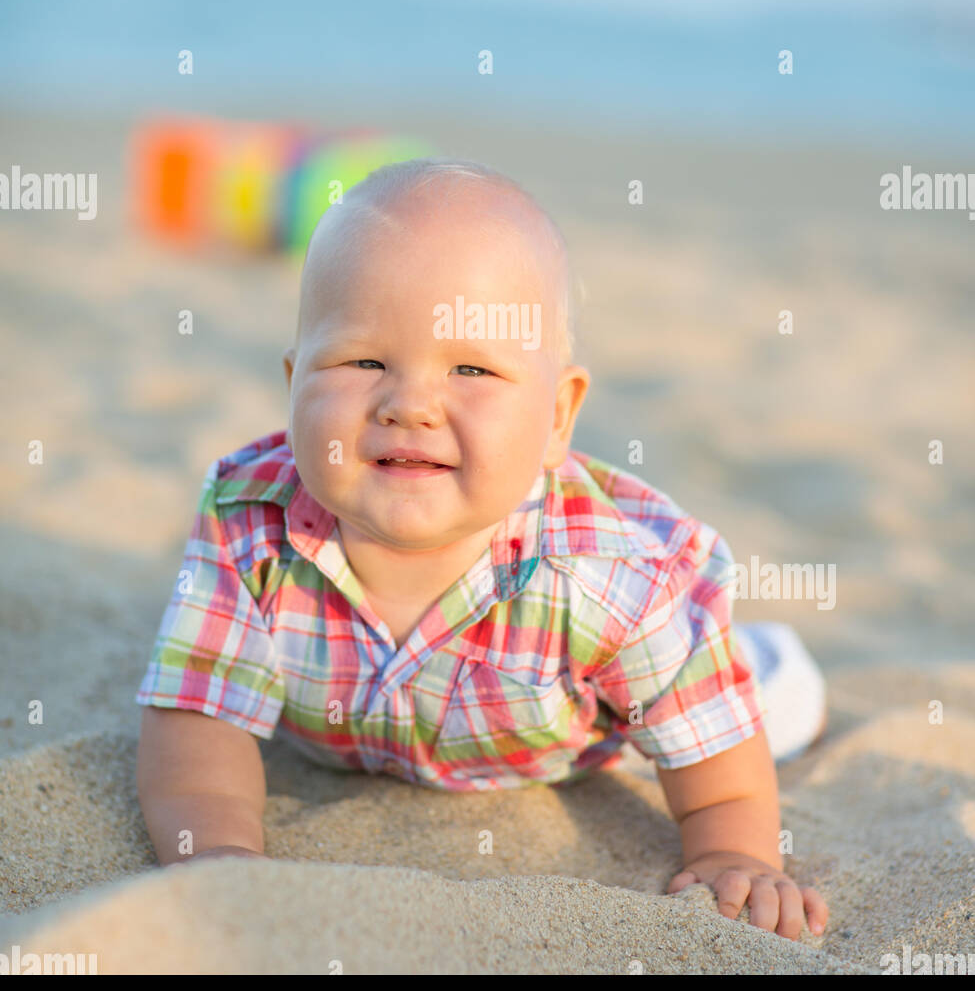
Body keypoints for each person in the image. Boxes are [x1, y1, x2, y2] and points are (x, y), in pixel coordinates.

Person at [136, 158, 829, 941]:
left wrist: (733, 851)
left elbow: (715, 760)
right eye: (363, 361)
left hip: (592, 729)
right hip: (367, 736)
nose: (410, 404)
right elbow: (197, 725)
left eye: (471, 368)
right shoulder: (247, 522)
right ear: (294, 382)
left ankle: (765, 657)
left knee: (761, 710)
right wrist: (217, 853)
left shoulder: (614, 576)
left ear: (557, 417)